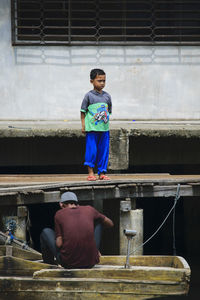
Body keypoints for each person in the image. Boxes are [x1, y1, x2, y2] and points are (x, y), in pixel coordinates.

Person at [40, 191, 114, 269]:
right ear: (77, 204)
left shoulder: (59, 214)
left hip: (68, 264)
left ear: (61, 204)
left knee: (45, 232)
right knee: (99, 222)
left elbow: (59, 244)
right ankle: (93, 251)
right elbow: (110, 223)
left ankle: (49, 264)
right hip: (91, 263)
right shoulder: (89, 209)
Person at [80, 68, 112, 181]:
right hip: (92, 129)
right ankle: (91, 173)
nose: (102, 83)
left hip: (104, 129)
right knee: (91, 150)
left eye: (104, 80)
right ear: (91, 81)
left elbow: (109, 111)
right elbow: (83, 111)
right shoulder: (88, 96)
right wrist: (83, 125)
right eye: (99, 80)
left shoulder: (107, 96)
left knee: (104, 151)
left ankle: (102, 172)